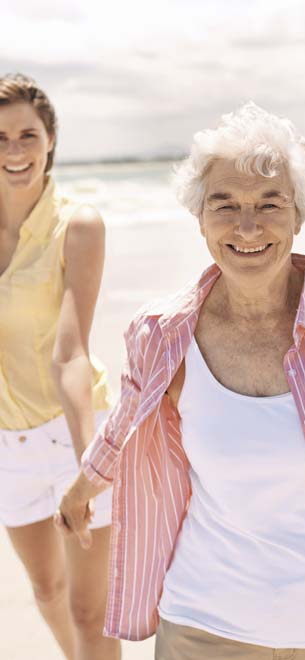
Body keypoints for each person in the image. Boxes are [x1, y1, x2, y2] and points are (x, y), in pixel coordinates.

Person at [58, 102, 305, 660]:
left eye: (269, 204)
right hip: (204, 625)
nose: (246, 226)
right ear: (200, 218)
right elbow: (125, 421)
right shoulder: (161, 331)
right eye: (224, 205)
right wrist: (83, 486)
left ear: (298, 216)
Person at [0, 74, 119, 660]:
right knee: (46, 591)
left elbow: (70, 352)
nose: (15, 151)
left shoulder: (79, 224)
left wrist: (88, 466)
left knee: (89, 612)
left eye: (27, 134)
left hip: (70, 432)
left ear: (50, 140)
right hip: (6, 445)